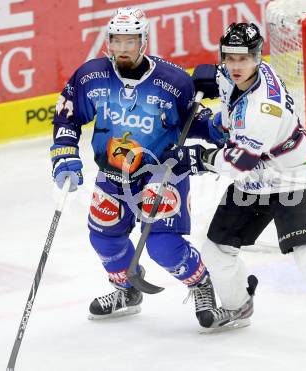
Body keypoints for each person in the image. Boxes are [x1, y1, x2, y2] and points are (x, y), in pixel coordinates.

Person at [162, 22, 306, 368]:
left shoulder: (263, 109)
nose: (236, 65)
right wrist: (208, 76)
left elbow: (237, 163)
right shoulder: (235, 73)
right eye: (229, 58)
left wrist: (196, 158)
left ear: (258, 58)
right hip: (258, 181)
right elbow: (222, 80)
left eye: (244, 58)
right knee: (217, 247)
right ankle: (239, 304)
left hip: (292, 181)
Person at [50, 7, 223, 325]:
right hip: (112, 175)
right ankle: (127, 291)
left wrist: (224, 113)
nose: (123, 48)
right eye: (117, 41)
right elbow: (68, 114)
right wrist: (64, 154)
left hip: (162, 174)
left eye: (130, 41)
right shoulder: (92, 75)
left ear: (143, 42)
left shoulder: (173, 82)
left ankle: (202, 286)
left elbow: (195, 124)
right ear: (108, 42)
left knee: (163, 245)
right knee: (104, 238)